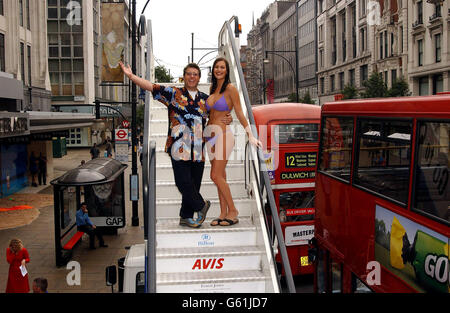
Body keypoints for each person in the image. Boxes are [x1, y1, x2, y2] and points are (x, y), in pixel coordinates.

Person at [120, 61, 232, 228]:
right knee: (182, 182)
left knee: (194, 185)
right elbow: (151, 86)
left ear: (199, 78)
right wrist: (130, 76)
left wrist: (228, 118)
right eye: (189, 74)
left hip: (198, 150)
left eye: (195, 74)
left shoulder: (206, 100)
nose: (192, 77)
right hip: (178, 147)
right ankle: (201, 206)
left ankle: (185, 217)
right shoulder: (174, 94)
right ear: (184, 77)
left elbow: (218, 115)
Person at [206, 58, 262, 226]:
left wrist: (250, 135)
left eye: (222, 67)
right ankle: (223, 213)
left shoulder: (231, 89)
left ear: (227, 70)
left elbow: (239, 112)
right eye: (216, 67)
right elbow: (210, 114)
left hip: (224, 134)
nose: (219, 70)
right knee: (220, 176)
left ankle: (233, 210)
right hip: (210, 135)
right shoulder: (212, 88)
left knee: (214, 175)